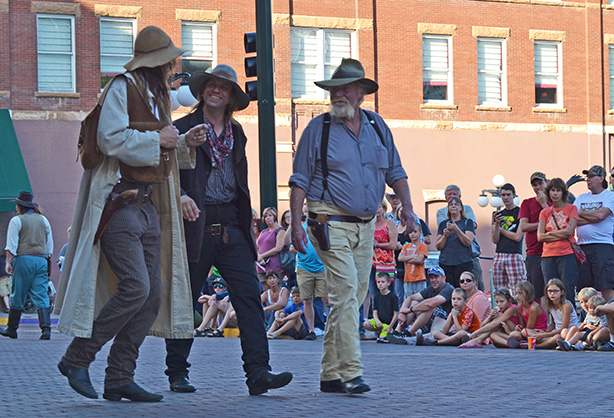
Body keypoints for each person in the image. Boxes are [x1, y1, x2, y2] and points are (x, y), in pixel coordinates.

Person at [54, 26, 207, 402]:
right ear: (157, 62)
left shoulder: (157, 96)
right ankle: (77, 358)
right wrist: (161, 139)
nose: (175, 64)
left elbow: (164, 149)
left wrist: (184, 141)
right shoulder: (122, 88)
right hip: (119, 204)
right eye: (171, 59)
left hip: (147, 206)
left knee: (151, 296)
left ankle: (119, 377)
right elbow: (111, 140)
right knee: (137, 286)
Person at [289, 58, 415, 394]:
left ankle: (330, 374)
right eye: (334, 89)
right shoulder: (319, 128)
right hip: (328, 222)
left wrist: (410, 210)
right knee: (345, 293)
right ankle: (351, 372)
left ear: (361, 93)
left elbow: (396, 171)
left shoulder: (376, 125)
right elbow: (299, 178)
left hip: (365, 226)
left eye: (346, 89)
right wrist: (296, 224)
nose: (339, 94)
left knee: (352, 298)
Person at [168, 63, 292, 396]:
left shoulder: (237, 133)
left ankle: (258, 373)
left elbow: (240, 181)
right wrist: (179, 196)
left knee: (249, 296)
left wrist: (247, 223)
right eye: (211, 85)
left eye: (223, 87)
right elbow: (164, 171)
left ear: (231, 97)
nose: (216, 90)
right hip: (195, 222)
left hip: (232, 225)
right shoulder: (181, 127)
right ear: (203, 90)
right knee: (186, 300)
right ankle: (176, 371)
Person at [1, 191, 53, 340]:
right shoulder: (43, 220)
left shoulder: (17, 221)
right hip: (41, 260)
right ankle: (46, 330)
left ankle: (12, 329)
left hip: (23, 259)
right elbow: (49, 245)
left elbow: (11, 245)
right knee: (41, 294)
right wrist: (46, 259)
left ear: (20, 206)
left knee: (17, 294)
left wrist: (8, 263)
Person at [574, 165, 614, 302]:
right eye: (587, 177)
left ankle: (611, 318)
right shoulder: (581, 197)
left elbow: (601, 215)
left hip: (602, 246)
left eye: (591, 177)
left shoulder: (610, 196)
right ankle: (590, 319)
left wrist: (581, 213)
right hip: (582, 246)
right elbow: (572, 219)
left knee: (605, 284)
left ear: (601, 178)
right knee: (585, 288)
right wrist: (593, 217)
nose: (588, 180)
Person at [537, 178, 579, 302]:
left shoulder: (572, 208)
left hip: (566, 254)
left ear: (563, 193)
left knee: (567, 289)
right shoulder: (545, 212)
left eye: (558, 191)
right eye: (552, 190)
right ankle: (554, 320)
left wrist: (549, 234)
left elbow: (569, 232)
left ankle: (569, 320)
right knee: (550, 290)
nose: (555, 193)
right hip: (548, 256)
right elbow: (540, 236)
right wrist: (561, 234)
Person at [436, 184, 483, 290]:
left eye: (456, 204)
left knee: (465, 289)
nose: (453, 206)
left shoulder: (467, 222)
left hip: (463, 261)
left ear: (461, 207)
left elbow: (468, 241)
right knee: (449, 290)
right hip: (446, 262)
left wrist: (456, 229)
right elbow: (438, 246)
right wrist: (445, 236)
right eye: (451, 204)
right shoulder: (443, 223)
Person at [388, 266, 454, 343]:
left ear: (444, 277)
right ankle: (397, 332)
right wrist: (402, 312)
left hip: (444, 323)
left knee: (429, 307)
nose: (433, 280)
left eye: (436, 277)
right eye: (431, 278)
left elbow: (430, 304)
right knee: (414, 302)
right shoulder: (431, 288)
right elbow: (410, 298)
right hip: (430, 322)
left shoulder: (448, 288)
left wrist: (410, 310)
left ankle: (408, 333)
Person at [293, 204, 328, 340]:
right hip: (304, 267)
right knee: (307, 299)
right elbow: (286, 243)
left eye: (309, 205)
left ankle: (327, 327)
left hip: (321, 267)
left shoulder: (322, 224)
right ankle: (311, 330)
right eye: (305, 205)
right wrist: (293, 223)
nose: (307, 208)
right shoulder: (299, 227)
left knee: (325, 298)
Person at [514, 278, 578, 349]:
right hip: (554, 332)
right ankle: (540, 342)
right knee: (525, 332)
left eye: (555, 291)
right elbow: (554, 323)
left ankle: (535, 345)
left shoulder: (566, 305)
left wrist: (544, 335)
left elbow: (563, 328)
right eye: (550, 291)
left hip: (566, 333)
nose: (552, 294)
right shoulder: (551, 305)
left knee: (557, 337)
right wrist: (545, 331)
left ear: (562, 292)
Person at [519, 172, 550, 303]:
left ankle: (553, 321)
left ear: (546, 183)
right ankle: (540, 319)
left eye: (540, 184)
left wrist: (544, 204)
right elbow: (524, 226)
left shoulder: (553, 203)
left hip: (551, 251)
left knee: (551, 289)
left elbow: (557, 223)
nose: (538, 187)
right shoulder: (527, 202)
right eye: (535, 185)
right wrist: (543, 224)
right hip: (534, 252)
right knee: (535, 291)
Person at [491, 183, 526, 292]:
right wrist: (496, 224)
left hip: (514, 254)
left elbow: (517, 237)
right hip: (499, 254)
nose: (505, 198)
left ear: (514, 195)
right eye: (503, 195)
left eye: (508, 194)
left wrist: (500, 230)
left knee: (518, 290)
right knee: (500, 291)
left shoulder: (521, 212)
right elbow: (495, 240)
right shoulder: (498, 214)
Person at [504, 281, 548, 348]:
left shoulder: (534, 307)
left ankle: (524, 342)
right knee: (496, 335)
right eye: (516, 293)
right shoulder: (519, 306)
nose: (517, 296)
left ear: (527, 294)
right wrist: (518, 327)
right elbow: (523, 326)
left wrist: (510, 331)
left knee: (520, 333)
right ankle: (522, 343)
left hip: (537, 333)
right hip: (526, 332)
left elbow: (529, 328)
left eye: (520, 293)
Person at [363, 272, 399, 343]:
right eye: (378, 282)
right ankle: (379, 330)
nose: (380, 284)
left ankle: (388, 332)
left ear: (388, 283)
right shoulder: (377, 297)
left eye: (383, 282)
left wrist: (391, 326)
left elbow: (396, 314)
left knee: (382, 339)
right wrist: (377, 320)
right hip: (380, 322)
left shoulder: (393, 297)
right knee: (366, 324)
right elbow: (375, 311)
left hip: (388, 324)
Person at [256, 207, 285, 289]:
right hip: (261, 265)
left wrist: (263, 256)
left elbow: (278, 248)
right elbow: (257, 246)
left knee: (275, 291)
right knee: (266, 292)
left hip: (274, 265)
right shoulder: (263, 231)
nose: (267, 218)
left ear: (275, 217)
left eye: (270, 215)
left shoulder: (280, 230)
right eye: (265, 216)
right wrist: (259, 257)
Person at [398, 223, 428, 298]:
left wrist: (407, 259)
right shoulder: (406, 246)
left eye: (415, 232)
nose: (412, 234)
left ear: (420, 233)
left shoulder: (422, 245)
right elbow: (400, 258)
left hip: (420, 278)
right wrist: (413, 256)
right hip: (408, 278)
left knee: (420, 300)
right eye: (410, 232)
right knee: (408, 300)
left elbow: (419, 260)